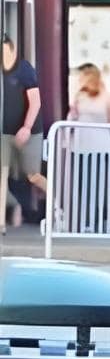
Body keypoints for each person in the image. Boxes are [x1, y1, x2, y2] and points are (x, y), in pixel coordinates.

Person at [67, 64, 110, 232]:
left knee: (99, 184)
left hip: (101, 146)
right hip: (81, 146)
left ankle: (98, 220)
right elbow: (72, 119)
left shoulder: (108, 97)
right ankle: (84, 221)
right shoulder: (79, 97)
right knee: (82, 184)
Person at [3, 36, 45, 228]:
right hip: (4, 132)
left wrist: (26, 127)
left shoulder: (24, 68)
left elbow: (35, 101)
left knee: (33, 175)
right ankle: (11, 208)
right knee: (2, 173)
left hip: (28, 131)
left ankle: (58, 205)